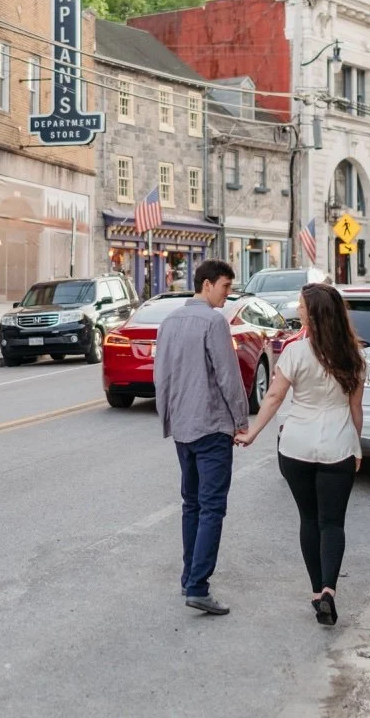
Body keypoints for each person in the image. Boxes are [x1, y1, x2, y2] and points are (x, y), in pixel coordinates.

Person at [236, 283, 365, 626]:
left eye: (302, 307)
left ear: (316, 314)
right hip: (338, 445)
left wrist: (252, 433)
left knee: (309, 519)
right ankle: (329, 590)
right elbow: (356, 408)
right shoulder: (354, 357)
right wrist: (356, 445)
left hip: (295, 447)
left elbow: (274, 397)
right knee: (332, 522)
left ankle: (316, 592)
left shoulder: (295, 352)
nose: (298, 311)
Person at [153, 258, 248, 616]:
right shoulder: (213, 321)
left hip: (183, 427)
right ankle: (198, 586)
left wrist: (168, 418)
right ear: (207, 284)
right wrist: (241, 421)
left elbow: (161, 376)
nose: (228, 294)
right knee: (211, 507)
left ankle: (188, 577)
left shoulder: (170, 321)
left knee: (191, 504)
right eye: (225, 286)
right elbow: (228, 376)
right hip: (211, 425)